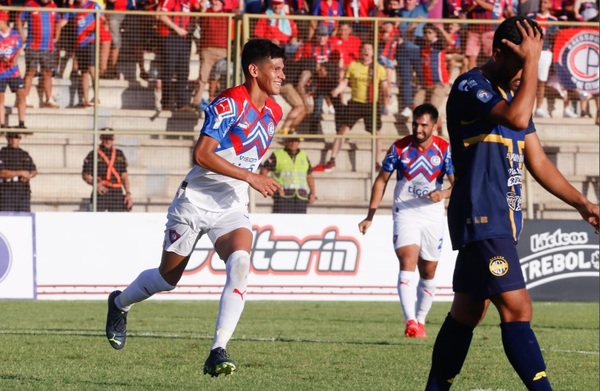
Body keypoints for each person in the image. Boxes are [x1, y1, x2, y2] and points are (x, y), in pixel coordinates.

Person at [425, 16, 599, 390]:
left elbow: (537, 161)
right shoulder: (472, 86)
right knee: (518, 308)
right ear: (501, 51)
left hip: (501, 218)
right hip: (483, 216)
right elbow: (519, 118)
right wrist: (533, 62)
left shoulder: (511, 97)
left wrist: (583, 204)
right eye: (522, 63)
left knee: (469, 310)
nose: (526, 74)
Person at [104, 39, 286, 378]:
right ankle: (119, 303)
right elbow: (202, 155)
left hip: (230, 204)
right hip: (194, 202)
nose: (281, 75)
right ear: (254, 70)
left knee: (241, 263)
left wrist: (250, 178)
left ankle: (218, 349)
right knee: (167, 279)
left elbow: (245, 152)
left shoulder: (275, 111)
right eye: (275, 68)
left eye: (282, 69)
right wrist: (250, 176)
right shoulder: (229, 103)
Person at [358, 103, 453, 338]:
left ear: (434, 125)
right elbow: (381, 180)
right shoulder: (400, 148)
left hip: (432, 215)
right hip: (406, 212)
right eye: (415, 124)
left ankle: (420, 320)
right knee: (407, 259)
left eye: (424, 125)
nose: (418, 129)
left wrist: (443, 193)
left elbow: (459, 182)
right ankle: (410, 321)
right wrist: (370, 215)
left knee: (428, 271)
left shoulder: (444, 149)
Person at [313, 42, 389, 172]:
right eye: (364, 48)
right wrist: (337, 90)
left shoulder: (379, 68)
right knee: (342, 130)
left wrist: (387, 95)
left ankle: (377, 162)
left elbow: (384, 85)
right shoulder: (353, 66)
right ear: (360, 52)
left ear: (372, 52)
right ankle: (332, 160)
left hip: (371, 104)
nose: (366, 51)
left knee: (377, 134)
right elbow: (344, 82)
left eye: (369, 49)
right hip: (355, 103)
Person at [17, 0, 61, 109]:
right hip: (33, 46)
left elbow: (58, 21)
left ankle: (48, 99)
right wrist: (22, 35)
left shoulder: (53, 6)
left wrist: (57, 36)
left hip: (48, 47)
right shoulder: (30, 4)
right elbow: (19, 19)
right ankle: (25, 98)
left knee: (47, 73)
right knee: (30, 71)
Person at [259, 133, 317, 213]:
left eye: (296, 141)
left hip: (301, 197)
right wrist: (273, 188)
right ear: (286, 141)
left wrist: (312, 193)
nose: (293, 143)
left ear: (299, 142)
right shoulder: (277, 154)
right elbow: (263, 172)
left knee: (300, 224)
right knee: (281, 223)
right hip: (282, 197)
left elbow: (309, 176)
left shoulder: (304, 155)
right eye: (291, 141)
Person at [81, 129, 133, 212]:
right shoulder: (93, 154)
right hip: (101, 191)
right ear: (101, 138)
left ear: (113, 138)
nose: (108, 141)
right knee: (97, 220)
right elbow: (85, 175)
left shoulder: (119, 153)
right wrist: (96, 185)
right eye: (106, 138)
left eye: (110, 139)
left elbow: (124, 176)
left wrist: (128, 194)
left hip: (117, 193)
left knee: (117, 220)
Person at [0, 11, 27, 129]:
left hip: (13, 71)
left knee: (21, 94)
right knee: (1, 98)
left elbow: (19, 48)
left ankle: (21, 123)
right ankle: (1, 124)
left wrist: (15, 58)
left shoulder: (15, 34)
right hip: (1, 72)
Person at [0, 132, 37, 212]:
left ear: (20, 138)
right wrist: (21, 173)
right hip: (6, 193)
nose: (13, 140)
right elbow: (1, 173)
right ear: (7, 138)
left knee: (24, 220)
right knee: (6, 220)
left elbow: (33, 170)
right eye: (11, 137)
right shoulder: (2, 154)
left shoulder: (24, 154)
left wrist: (29, 176)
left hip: (22, 193)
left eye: (16, 137)